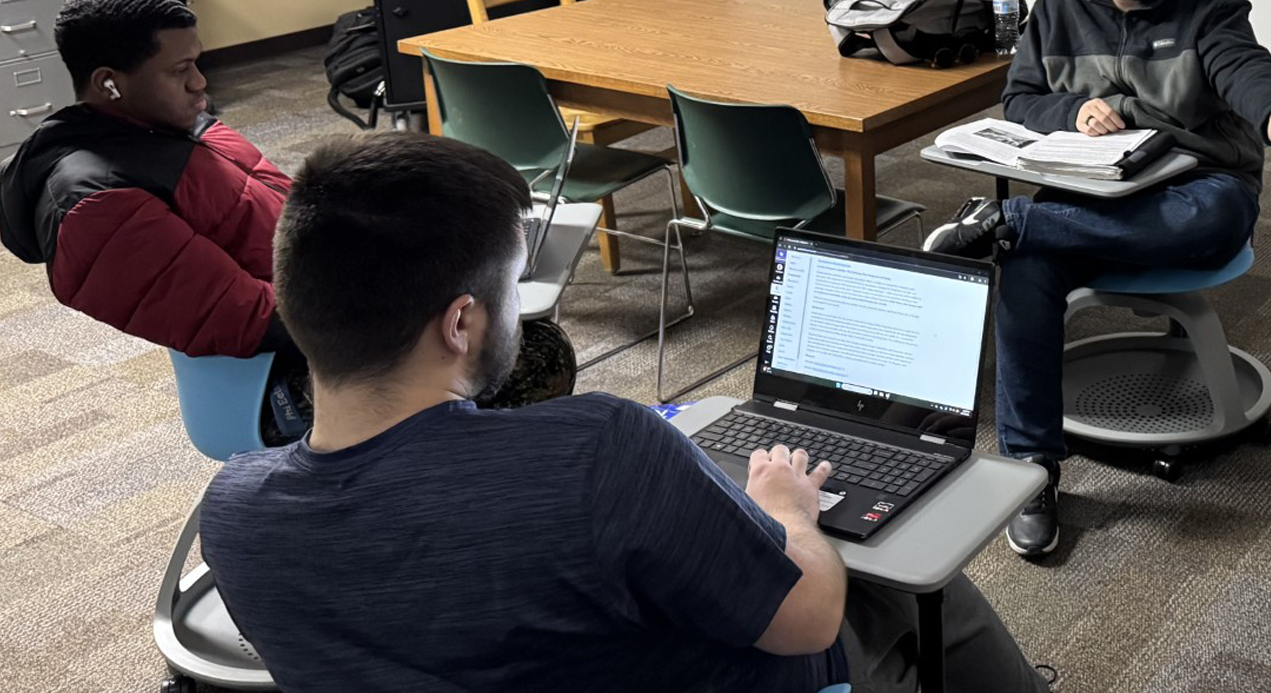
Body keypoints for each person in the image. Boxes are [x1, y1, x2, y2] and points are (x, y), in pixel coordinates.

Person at [199, 132, 1052, 693]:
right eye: (511, 285)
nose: (522, 305)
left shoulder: (231, 514)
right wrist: (788, 516)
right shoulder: (595, 448)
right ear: (460, 322)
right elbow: (808, 620)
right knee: (910, 583)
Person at [921, 0, 1271, 559]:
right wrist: (1072, 111)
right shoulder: (1056, 6)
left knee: (1215, 219)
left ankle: (1011, 224)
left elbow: (1242, 65)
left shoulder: (1206, 3)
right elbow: (1020, 103)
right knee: (1026, 267)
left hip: (1197, 184)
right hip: (1091, 192)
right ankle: (1032, 471)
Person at [0, 0, 569, 440]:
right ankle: (449, 519)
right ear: (109, 85)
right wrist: (407, 309)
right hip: (279, 381)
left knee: (501, 309)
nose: (201, 83)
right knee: (529, 357)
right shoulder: (95, 204)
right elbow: (248, 320)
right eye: (179, 71)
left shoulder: (178, 126)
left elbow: (300, 215)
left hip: (332, 324)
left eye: (198, 61)